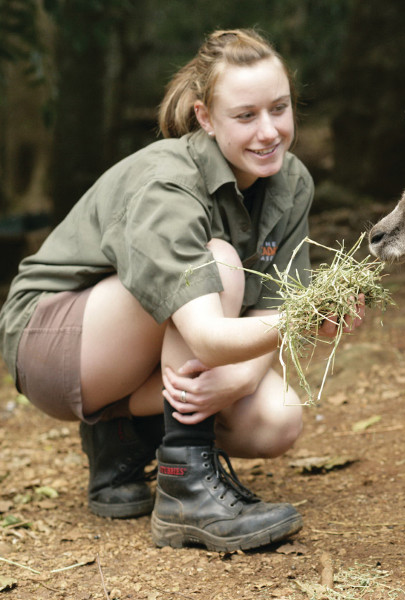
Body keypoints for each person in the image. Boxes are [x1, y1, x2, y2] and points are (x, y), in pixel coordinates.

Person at [0, 28, 364, 552]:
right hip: (53, 340)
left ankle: (123, 436)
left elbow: (273, 309)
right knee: (220, 262)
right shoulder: (169, 182)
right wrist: (307, 318)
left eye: (279, 109)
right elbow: (214, 335)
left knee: (275, 419)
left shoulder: (290, 182)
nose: (269, 132)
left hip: (145, 344)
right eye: (245, 116)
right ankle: (186, 488)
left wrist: (238, 382)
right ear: (205, 118)